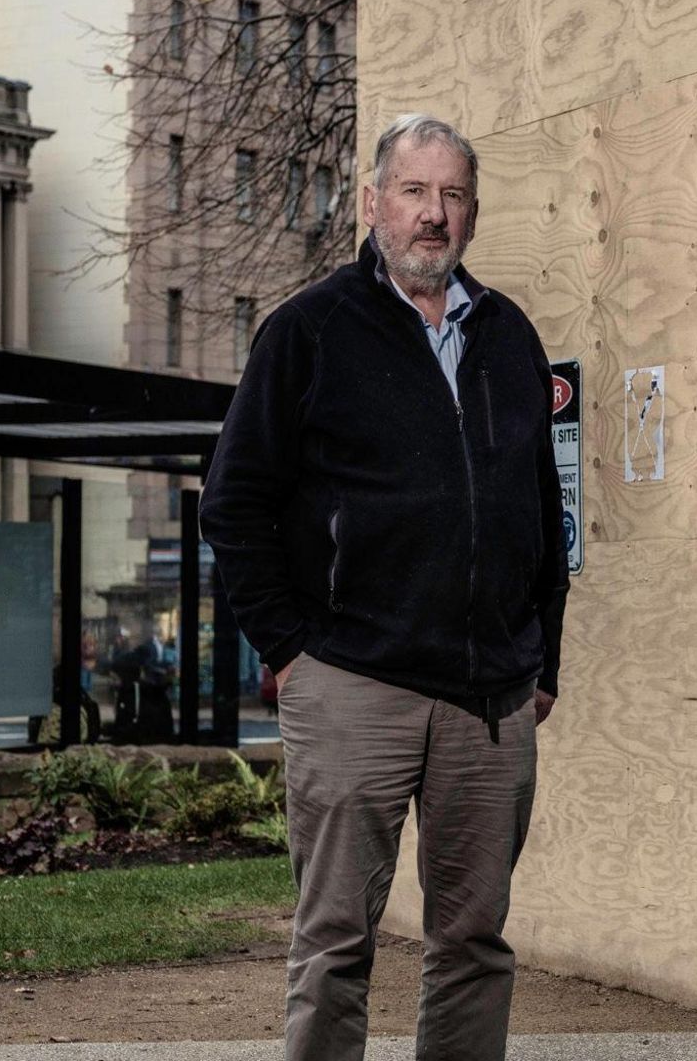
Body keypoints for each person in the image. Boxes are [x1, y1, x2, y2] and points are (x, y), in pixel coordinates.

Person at [201, 113, 568, 1061]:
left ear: (473, 215)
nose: (432, 216)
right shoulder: (309, 331)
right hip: (354, 684)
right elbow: (233, 505)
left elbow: (541, 511)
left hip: (492, 701)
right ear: (373, 205)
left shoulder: (509, 335)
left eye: (451, 196)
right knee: (335, 943)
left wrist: (544, 663)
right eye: (414, 192)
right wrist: (292, 652)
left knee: (475, 944)